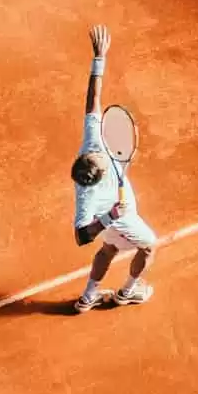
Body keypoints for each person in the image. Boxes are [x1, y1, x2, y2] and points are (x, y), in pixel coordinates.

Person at [70, 25, 157, 313]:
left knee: (108, 249)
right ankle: (127, 292)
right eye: (103, 162)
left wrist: (99, 58)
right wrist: (110, 217)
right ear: (96, 176)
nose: (103, 154)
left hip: (110, 223)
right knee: (149, 246)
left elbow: (92, 101)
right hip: (120, 220)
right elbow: (82, 236)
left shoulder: (91, 143)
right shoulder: (87, 196)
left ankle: (88, 297)